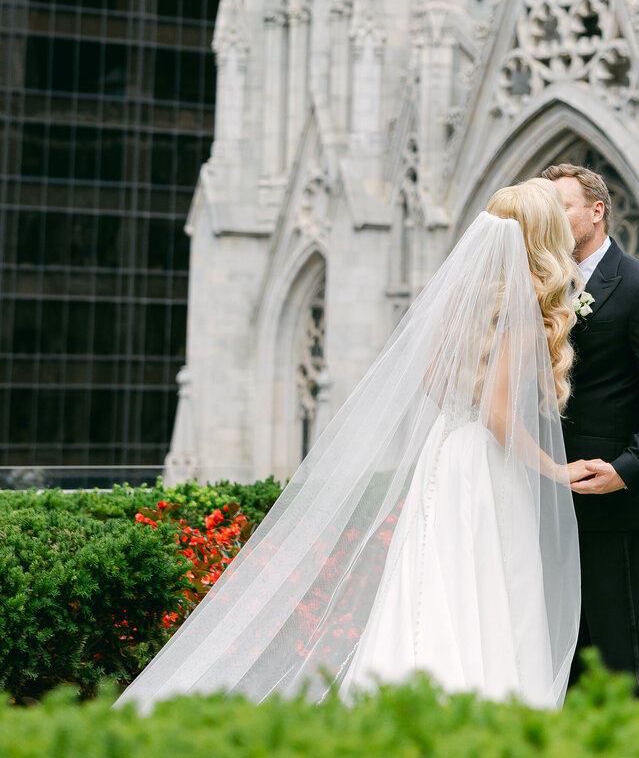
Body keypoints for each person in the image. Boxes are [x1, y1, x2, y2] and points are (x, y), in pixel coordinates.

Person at [118, 180, 587, 712]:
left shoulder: (467, 299)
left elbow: (434, 381)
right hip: (485, 460)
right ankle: (485, 703)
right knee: (492, 581)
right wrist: (556, 469)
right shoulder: (522, 308)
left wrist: (468, 405)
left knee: (435, 579)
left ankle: (407, 694)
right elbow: (501, 415)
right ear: (545, 236)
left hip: (449, 449)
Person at [545, 162, 639, 697]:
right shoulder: (542, 286)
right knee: (561, 655)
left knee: (619, 654)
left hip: (613, 503)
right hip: (544, 494)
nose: (553, 218)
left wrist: (625, 470)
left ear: (595, 210)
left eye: (561, 205)